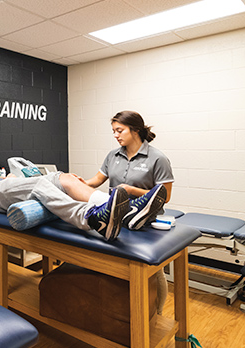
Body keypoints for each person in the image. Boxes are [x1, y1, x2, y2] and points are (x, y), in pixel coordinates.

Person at [83, 110, 174, 314]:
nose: (115, 135)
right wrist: (79, 183)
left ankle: (156, 311)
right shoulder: (113, 155)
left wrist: (130, 190)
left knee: (150, 269)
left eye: (119, 130)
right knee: (117, 266)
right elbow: (97, 180)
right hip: (117, 215)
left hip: (146, 221)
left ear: (136, 130)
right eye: (114, 131)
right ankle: (121, 309)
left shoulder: (157, 158)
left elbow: (165, 196)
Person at [0, 171, 167, 241]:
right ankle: (91, 218)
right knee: (43, 183)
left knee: (65, 178)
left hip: (4, 184)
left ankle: (128, 214)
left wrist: (13, 178)